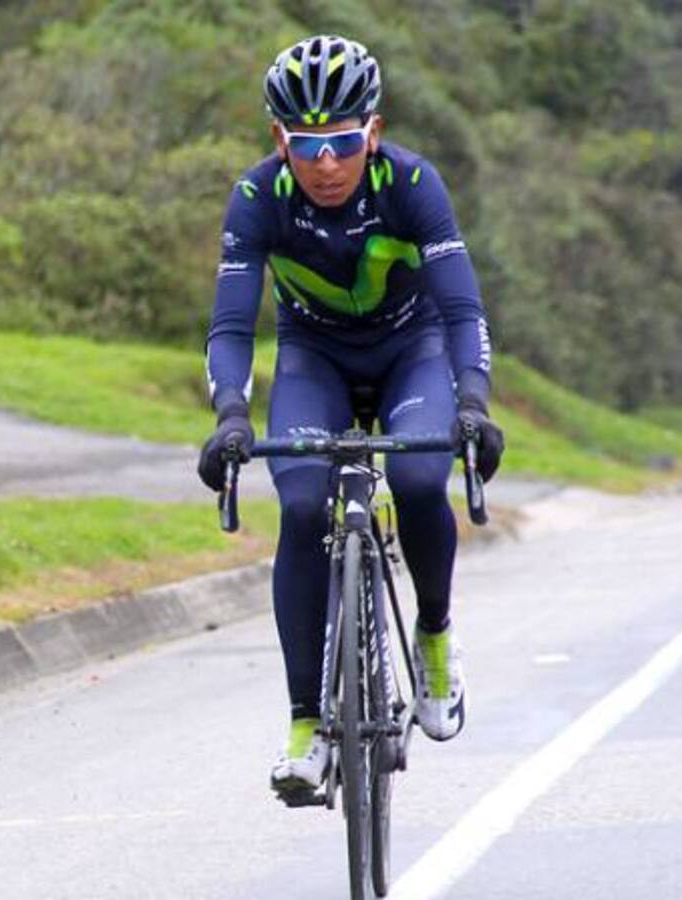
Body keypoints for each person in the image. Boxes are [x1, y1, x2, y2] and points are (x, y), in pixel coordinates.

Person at [198, 34, 505, 795]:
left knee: (420, 475)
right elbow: (232, 326)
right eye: (307, 144)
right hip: (316, 360)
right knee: (302, 506)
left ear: (371, 131)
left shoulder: (411, 184)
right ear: (281, 140)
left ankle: (433, 635)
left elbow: (463, 307)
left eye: (341, 141)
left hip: (413, 352)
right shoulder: (257, 198)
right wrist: (231, 414)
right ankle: (306, 724)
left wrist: (472, 400)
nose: (326, 162)